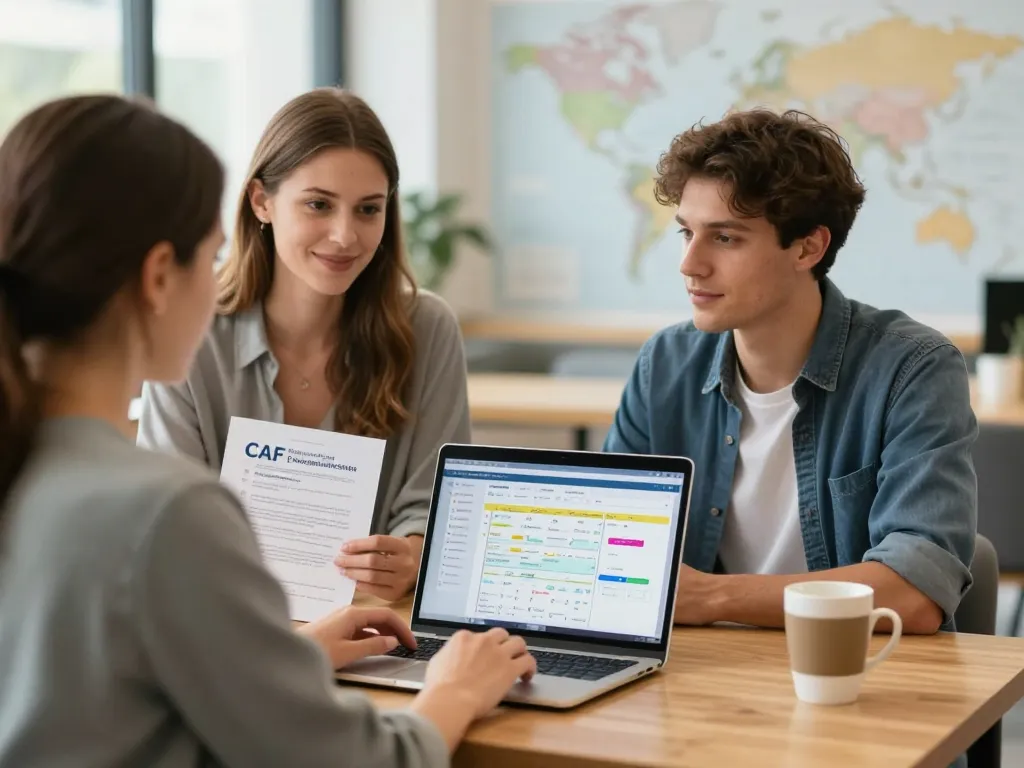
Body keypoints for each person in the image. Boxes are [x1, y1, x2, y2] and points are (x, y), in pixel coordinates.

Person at [0, 94, 534, 768]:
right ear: (161, 276)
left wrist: (289, 654)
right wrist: (455, 689)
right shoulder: (166, 510)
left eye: (368, 208)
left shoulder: (31, 464)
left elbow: (113, 690)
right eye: (213, 252)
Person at [604, 109, 977, 635]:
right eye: (687, 232)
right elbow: (609, 549)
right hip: (700, 677)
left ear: (808, 246)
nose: (690, 263)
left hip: (857, 677)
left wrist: (711, 597)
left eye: (725, 238)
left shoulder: (912, 369)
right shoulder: (665, 364)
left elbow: (914, 593)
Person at [136, 88, 470, 601]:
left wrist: (413, 552)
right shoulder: (190, 331)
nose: (344, 236)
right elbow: (162, 524)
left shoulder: (427, 328)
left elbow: (436, 505)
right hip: (222, 623)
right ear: (261, 202)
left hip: (380, 626)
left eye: (368, 209)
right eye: (318, 204)